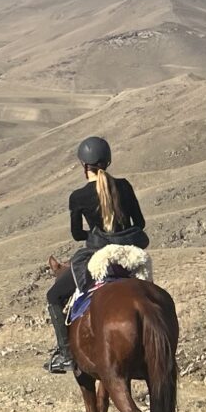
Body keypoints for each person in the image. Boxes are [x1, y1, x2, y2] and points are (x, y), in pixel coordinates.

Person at [44, 135, 148, 374]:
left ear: (84, 165)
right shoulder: (124, 186)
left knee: (53, 296)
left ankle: (66, 354)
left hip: (98, 256)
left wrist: (95, 233)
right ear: (108, 162)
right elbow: (140, 223)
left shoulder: (78, 197)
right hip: (128, 255)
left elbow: (76, 234)